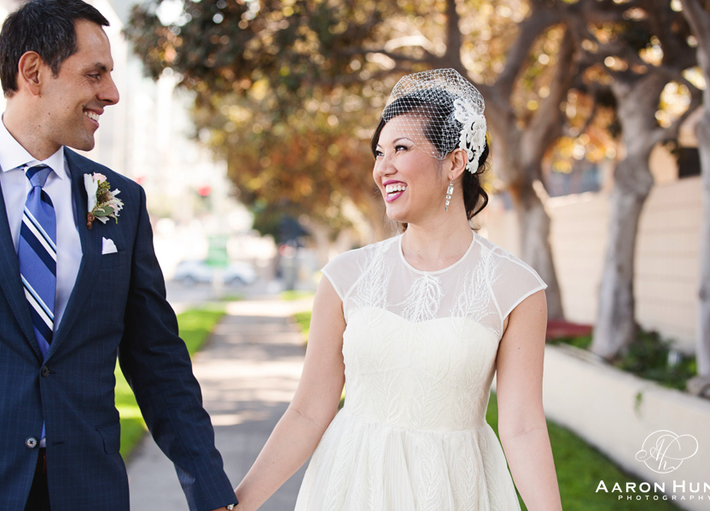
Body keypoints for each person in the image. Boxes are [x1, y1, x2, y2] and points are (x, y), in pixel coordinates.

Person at [232, 68, 562, 510]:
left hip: (453, 491)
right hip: (351, 486)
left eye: (401, 149)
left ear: (454, 162)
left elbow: (522, 428)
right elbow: (309, 411)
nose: (382, 167)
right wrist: (240, 504)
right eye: (379, 152)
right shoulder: (345, 277)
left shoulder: (516, 288)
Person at [0, 0, 237, 510]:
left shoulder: (120, 201)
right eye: (94, 74)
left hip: (88, 490)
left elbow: (157, 361)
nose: (112, 93)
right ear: (33, 72)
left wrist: (211, 493)